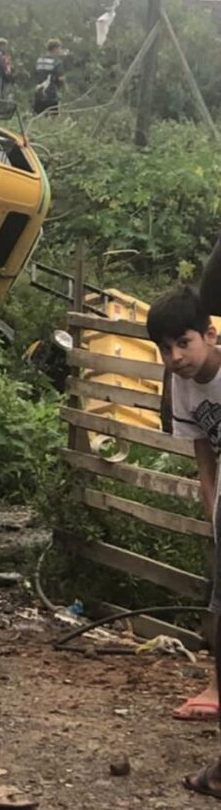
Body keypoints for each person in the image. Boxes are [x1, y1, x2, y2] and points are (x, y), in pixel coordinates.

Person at [146, 288, 221, 732]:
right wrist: (213, 514)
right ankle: (217, 687)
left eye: (183, 342)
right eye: (165, 348)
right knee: (220, 596)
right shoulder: (182, 384)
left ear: (210, 335)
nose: (175, 357)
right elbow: (204, 455)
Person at [34, 38, 66, 115]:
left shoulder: (39, 60)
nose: (60, 50)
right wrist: (64, 88)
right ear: (55, 49)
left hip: (38, 93)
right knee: (54, 117)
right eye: (60, 48)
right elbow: (61, 79)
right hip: (51, 94)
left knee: (40, 118)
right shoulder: (56, 62)